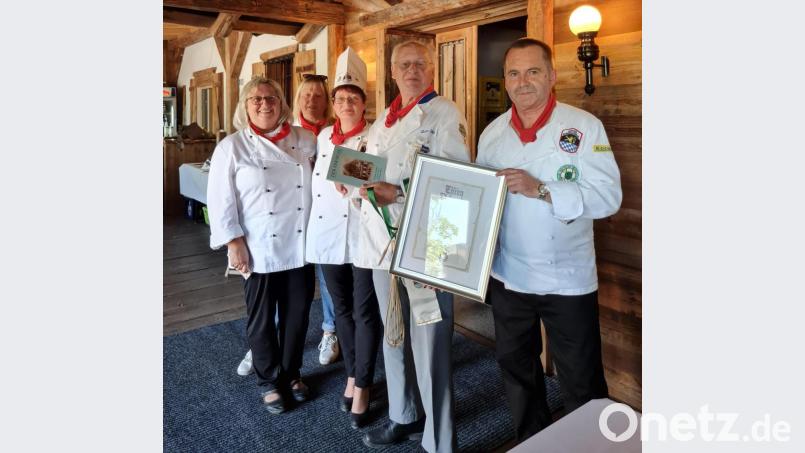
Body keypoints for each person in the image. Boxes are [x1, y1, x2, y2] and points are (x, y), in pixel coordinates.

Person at [475, 38, 622, 443]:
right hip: (509, 276)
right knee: (517, 372)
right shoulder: (492, 135)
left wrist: (541, 189)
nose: (522, 82)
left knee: (581, 380)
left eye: (533, 71)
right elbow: (480, 199)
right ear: (505, 80)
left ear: (552, 76)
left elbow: (609, 197)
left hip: (567, 280)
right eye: (513, 73)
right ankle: (532, 442)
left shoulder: (584, 127)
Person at [355, 40, 469, 453]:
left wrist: (399, 191)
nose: (412, 70)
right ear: (392, 71)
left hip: (426, 248)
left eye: (420, 64)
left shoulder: (445, 114)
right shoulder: (381, 122)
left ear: (432, 69)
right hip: (381, 246)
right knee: (394, 334)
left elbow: (458, 180)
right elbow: (367, 171)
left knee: (430, 345)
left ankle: (440, 441)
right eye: (404, 65)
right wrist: (355, 186)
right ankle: (403, 415)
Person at [207, 76, 317, 414]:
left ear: (282, 104)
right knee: (262, 318)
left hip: (300, 243)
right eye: (256, 99)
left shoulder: (305, 139)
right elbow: (220, 200)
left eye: (271, 98)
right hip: (258, 245)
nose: (264, 104)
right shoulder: (232, 146)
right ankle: (269, 380)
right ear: (245, 106)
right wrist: (233, 241)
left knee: (297, 315)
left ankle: (292, 372)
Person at [236, 73, 340, 376]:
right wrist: (233, 241)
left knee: (319, 292)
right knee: (274, 297)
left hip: (317, 225)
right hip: (276, 234)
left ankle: (328, 333)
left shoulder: (321, 137)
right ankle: (263, 350)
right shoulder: (279, 134)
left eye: (318, 95)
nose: (312, 100)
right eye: (306, 95)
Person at [306, 47, 381, 429]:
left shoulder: (376, 135)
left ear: (364, 103)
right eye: (341, 98)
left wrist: (352, 183)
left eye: (354, 98)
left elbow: (380, 179)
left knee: (365, 311)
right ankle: (352, 374)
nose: (347, 104)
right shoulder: (322, 137)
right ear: (333, 104)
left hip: (364, 236)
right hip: (328, 237)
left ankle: (364, 384)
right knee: (342, 309)